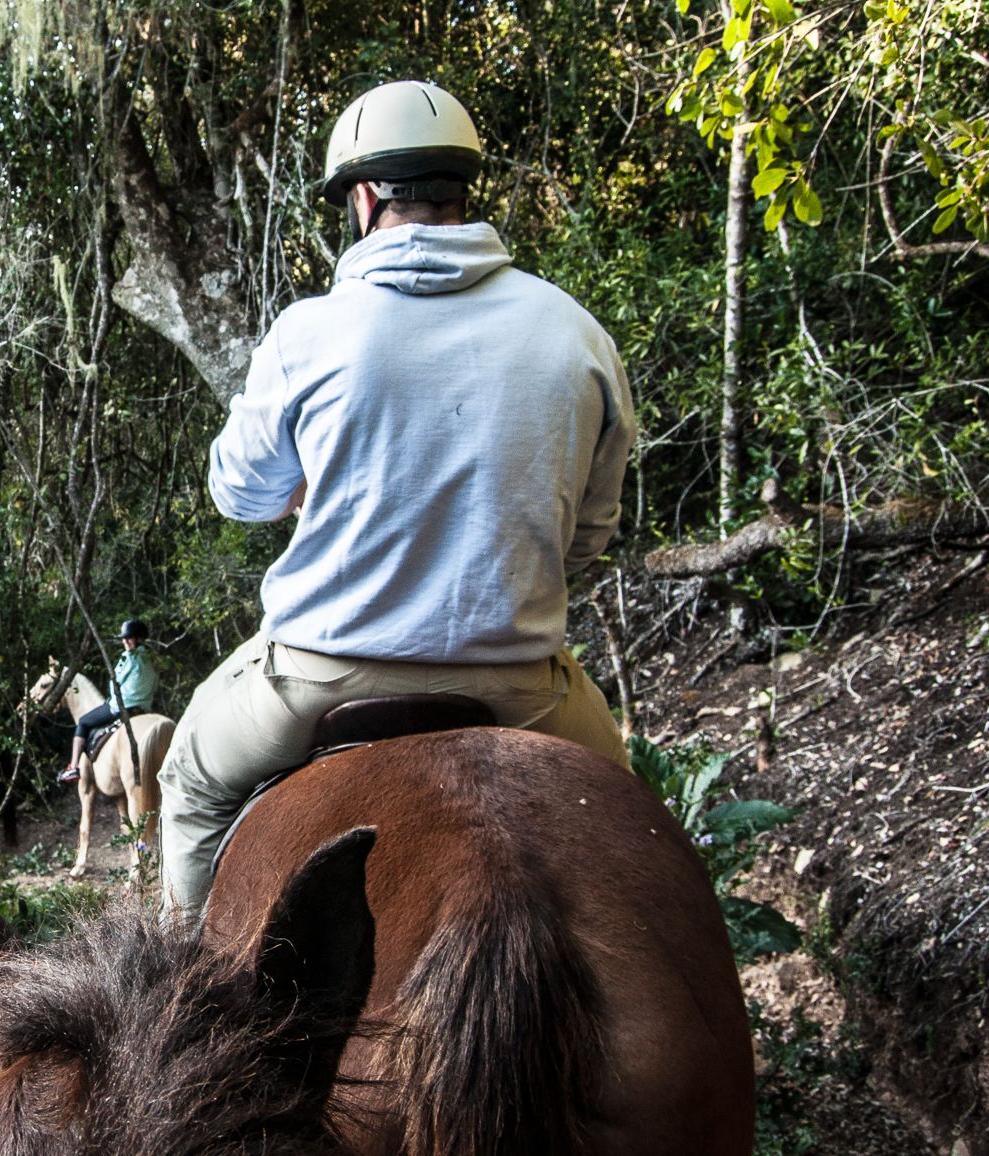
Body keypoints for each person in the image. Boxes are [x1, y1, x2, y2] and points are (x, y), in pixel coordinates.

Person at [157, 80, 637, 919]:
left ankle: (191, 1012)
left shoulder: (310, 333)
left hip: (316, 678)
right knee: (638, 834)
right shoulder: (576, 333)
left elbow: (237, 490)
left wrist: (303, 489)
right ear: (463, 189)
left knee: (188, 779)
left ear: (366, 196)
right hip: (523, 684)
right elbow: (589, 535)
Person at [59, 619, 158, 784]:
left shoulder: (130, 659)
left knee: (83, 722)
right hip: (144, 707)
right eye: (124, 638)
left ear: (139, 639)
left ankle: (73, 767)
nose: (125, 641)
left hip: (122, 706)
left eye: (129, 637)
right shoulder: (152, 660)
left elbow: (116, 682)